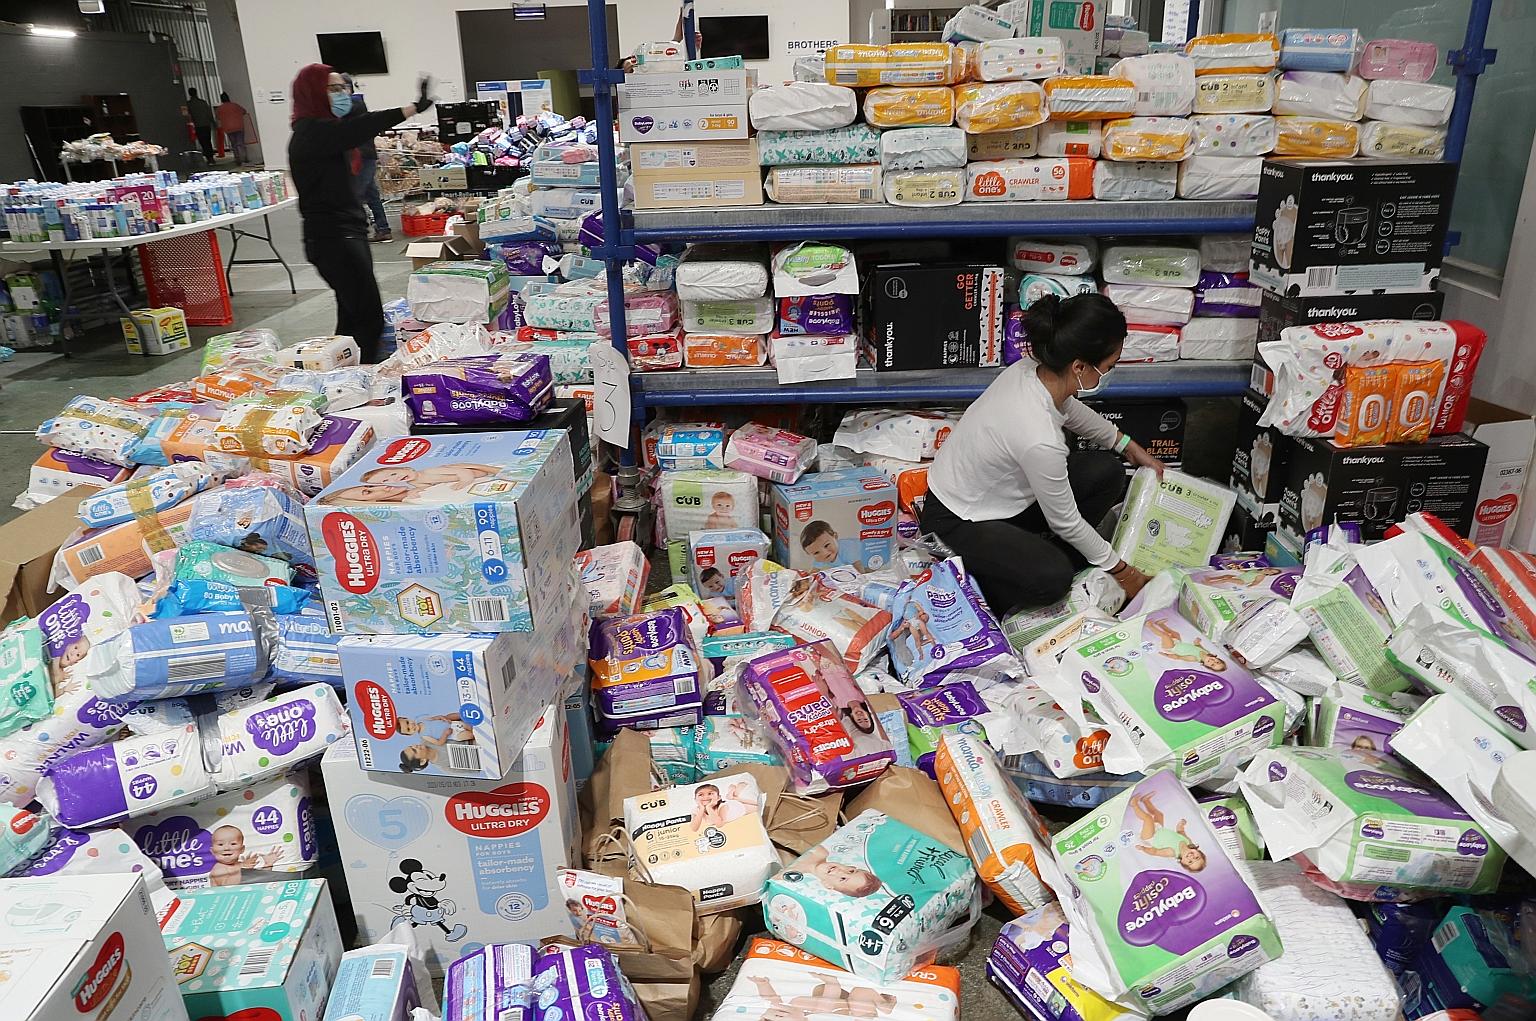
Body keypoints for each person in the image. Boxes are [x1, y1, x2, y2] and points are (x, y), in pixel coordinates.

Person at [920, 293, 1163, 614]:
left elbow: (1069, 409)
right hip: (959, 520)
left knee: (1106, 471)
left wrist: (1127, 445)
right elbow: (1065, 522)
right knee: (1052, 580)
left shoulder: (1033, 370)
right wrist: (1124, 573)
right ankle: (986, 578)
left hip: (1000, 501)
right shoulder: (1039, 437)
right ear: (1079, 366)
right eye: (1108, 367)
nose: (1109, 373)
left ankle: (1037, 555)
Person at [288, 65, 430, 363]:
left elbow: (356, 124)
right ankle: (360, 386)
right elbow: (361, 127)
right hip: (333, 239)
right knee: (369, 320)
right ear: (313, 92)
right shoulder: (312, 132)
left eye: (344, 88)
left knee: (351, 320)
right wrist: (411, 109)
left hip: (345, 233)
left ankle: (337, 377)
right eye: (333, 89)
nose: (343, 95)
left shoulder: (323, 130)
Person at [343, 79, 394, 243]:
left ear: (348, 88)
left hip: (362, 157)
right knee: (371, 195)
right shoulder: (354, 106)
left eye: (339, 88)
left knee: (355, 195)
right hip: (364, 156)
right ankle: (383, 229)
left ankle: (357, 232)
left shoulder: (354, 105)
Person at [216, 92, 250, 164]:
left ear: (221, 100)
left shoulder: (220, 108)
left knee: (234, 144)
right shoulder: (235, 105)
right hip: (239, 126)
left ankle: (237, 159)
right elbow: (244, 111)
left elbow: (218, 117)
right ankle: (244, 158)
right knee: (240, 143)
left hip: (228, 128)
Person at [186, 88, 216, 163]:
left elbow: (188, 116)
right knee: (208, 141)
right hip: (206, 124)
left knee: (202, 142)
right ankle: (211, 157)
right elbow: (209, 113)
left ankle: (208, 157)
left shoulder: (189, 104)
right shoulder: (203, 102)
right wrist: (213, 123)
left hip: (198, 126)